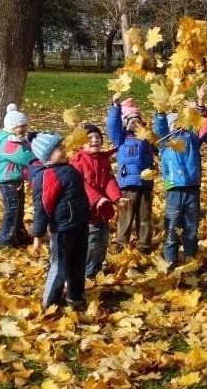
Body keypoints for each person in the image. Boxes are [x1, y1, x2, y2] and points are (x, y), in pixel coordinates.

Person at [153, 82, 207, 268]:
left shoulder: (191, 138)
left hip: (192, 187)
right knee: (172, 225)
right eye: (173, 124)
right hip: (173, 188)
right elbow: (160, 128)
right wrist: (161, 111)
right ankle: (170, 259)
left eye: (179, 122)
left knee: (191, 226)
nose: (177, 126)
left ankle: (190, 258)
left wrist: (200, 101)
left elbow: (200, 122)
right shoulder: (165, 142)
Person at [30, 133, 91, 312]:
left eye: (62, 146)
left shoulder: (69, 168)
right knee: (60, 266)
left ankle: (75, 297)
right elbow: (41, 209)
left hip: (80, 224)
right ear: (47, 156)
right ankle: (50, 302)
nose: (63, 150)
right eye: (58, 148)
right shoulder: (47, 176)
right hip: (63, 229)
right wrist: (37, 237)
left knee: (79, 263)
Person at [69, 123, 125, 279]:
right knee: (91, 241)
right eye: (90, 138)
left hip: (103, 210)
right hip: (87, 210)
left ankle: (97, 267)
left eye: (98, 137)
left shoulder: (103, 159)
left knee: (103, 240)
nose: (95, 140)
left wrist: (116, 198)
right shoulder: (77, 160)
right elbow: (81, 183)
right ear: (80, 143)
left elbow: (108, 180)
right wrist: (97, 198)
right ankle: (87, 272)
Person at [106, 94, 156, 254]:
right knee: (126, 215)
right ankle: (121, 243)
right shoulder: (121, 138)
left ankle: (144, 245)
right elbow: (112, 126)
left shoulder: (146, 138)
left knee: (145, 216)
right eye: (131, 119)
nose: (135, 122)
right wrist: (115, 107)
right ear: (125, 121)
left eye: (138, 118)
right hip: (128, 183)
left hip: (146, 184)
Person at [0, 103, 36, 247]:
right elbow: (22, 156)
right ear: (13, 127)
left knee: (19, 207)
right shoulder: (9, 142)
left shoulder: (15, 138)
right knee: (12, 209)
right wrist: (38, 158)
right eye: (22, 126)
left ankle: (19, 233)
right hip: (8, 181)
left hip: (16, 179)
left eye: (25, 126)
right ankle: (5, 239)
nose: (25, 129)